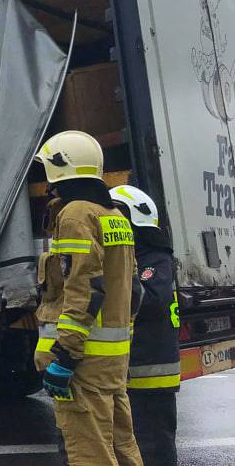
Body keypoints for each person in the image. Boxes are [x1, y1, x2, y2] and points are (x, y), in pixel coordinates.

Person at [33, 130, 143, 466]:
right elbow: (134, 290)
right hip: (110, 361)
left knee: (90, 453)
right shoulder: (115, 216)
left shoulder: (76, 215)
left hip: (82, 361)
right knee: (122, 446)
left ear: (60, 170)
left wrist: (65, 355)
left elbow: (84, 289)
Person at [110, 185, 180, 466]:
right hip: (135, 368)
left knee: (154, 444)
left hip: (152, 372)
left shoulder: (155, 258)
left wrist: (114, 279)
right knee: (133, 441)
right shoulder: (138, 256)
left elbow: (150, 299)